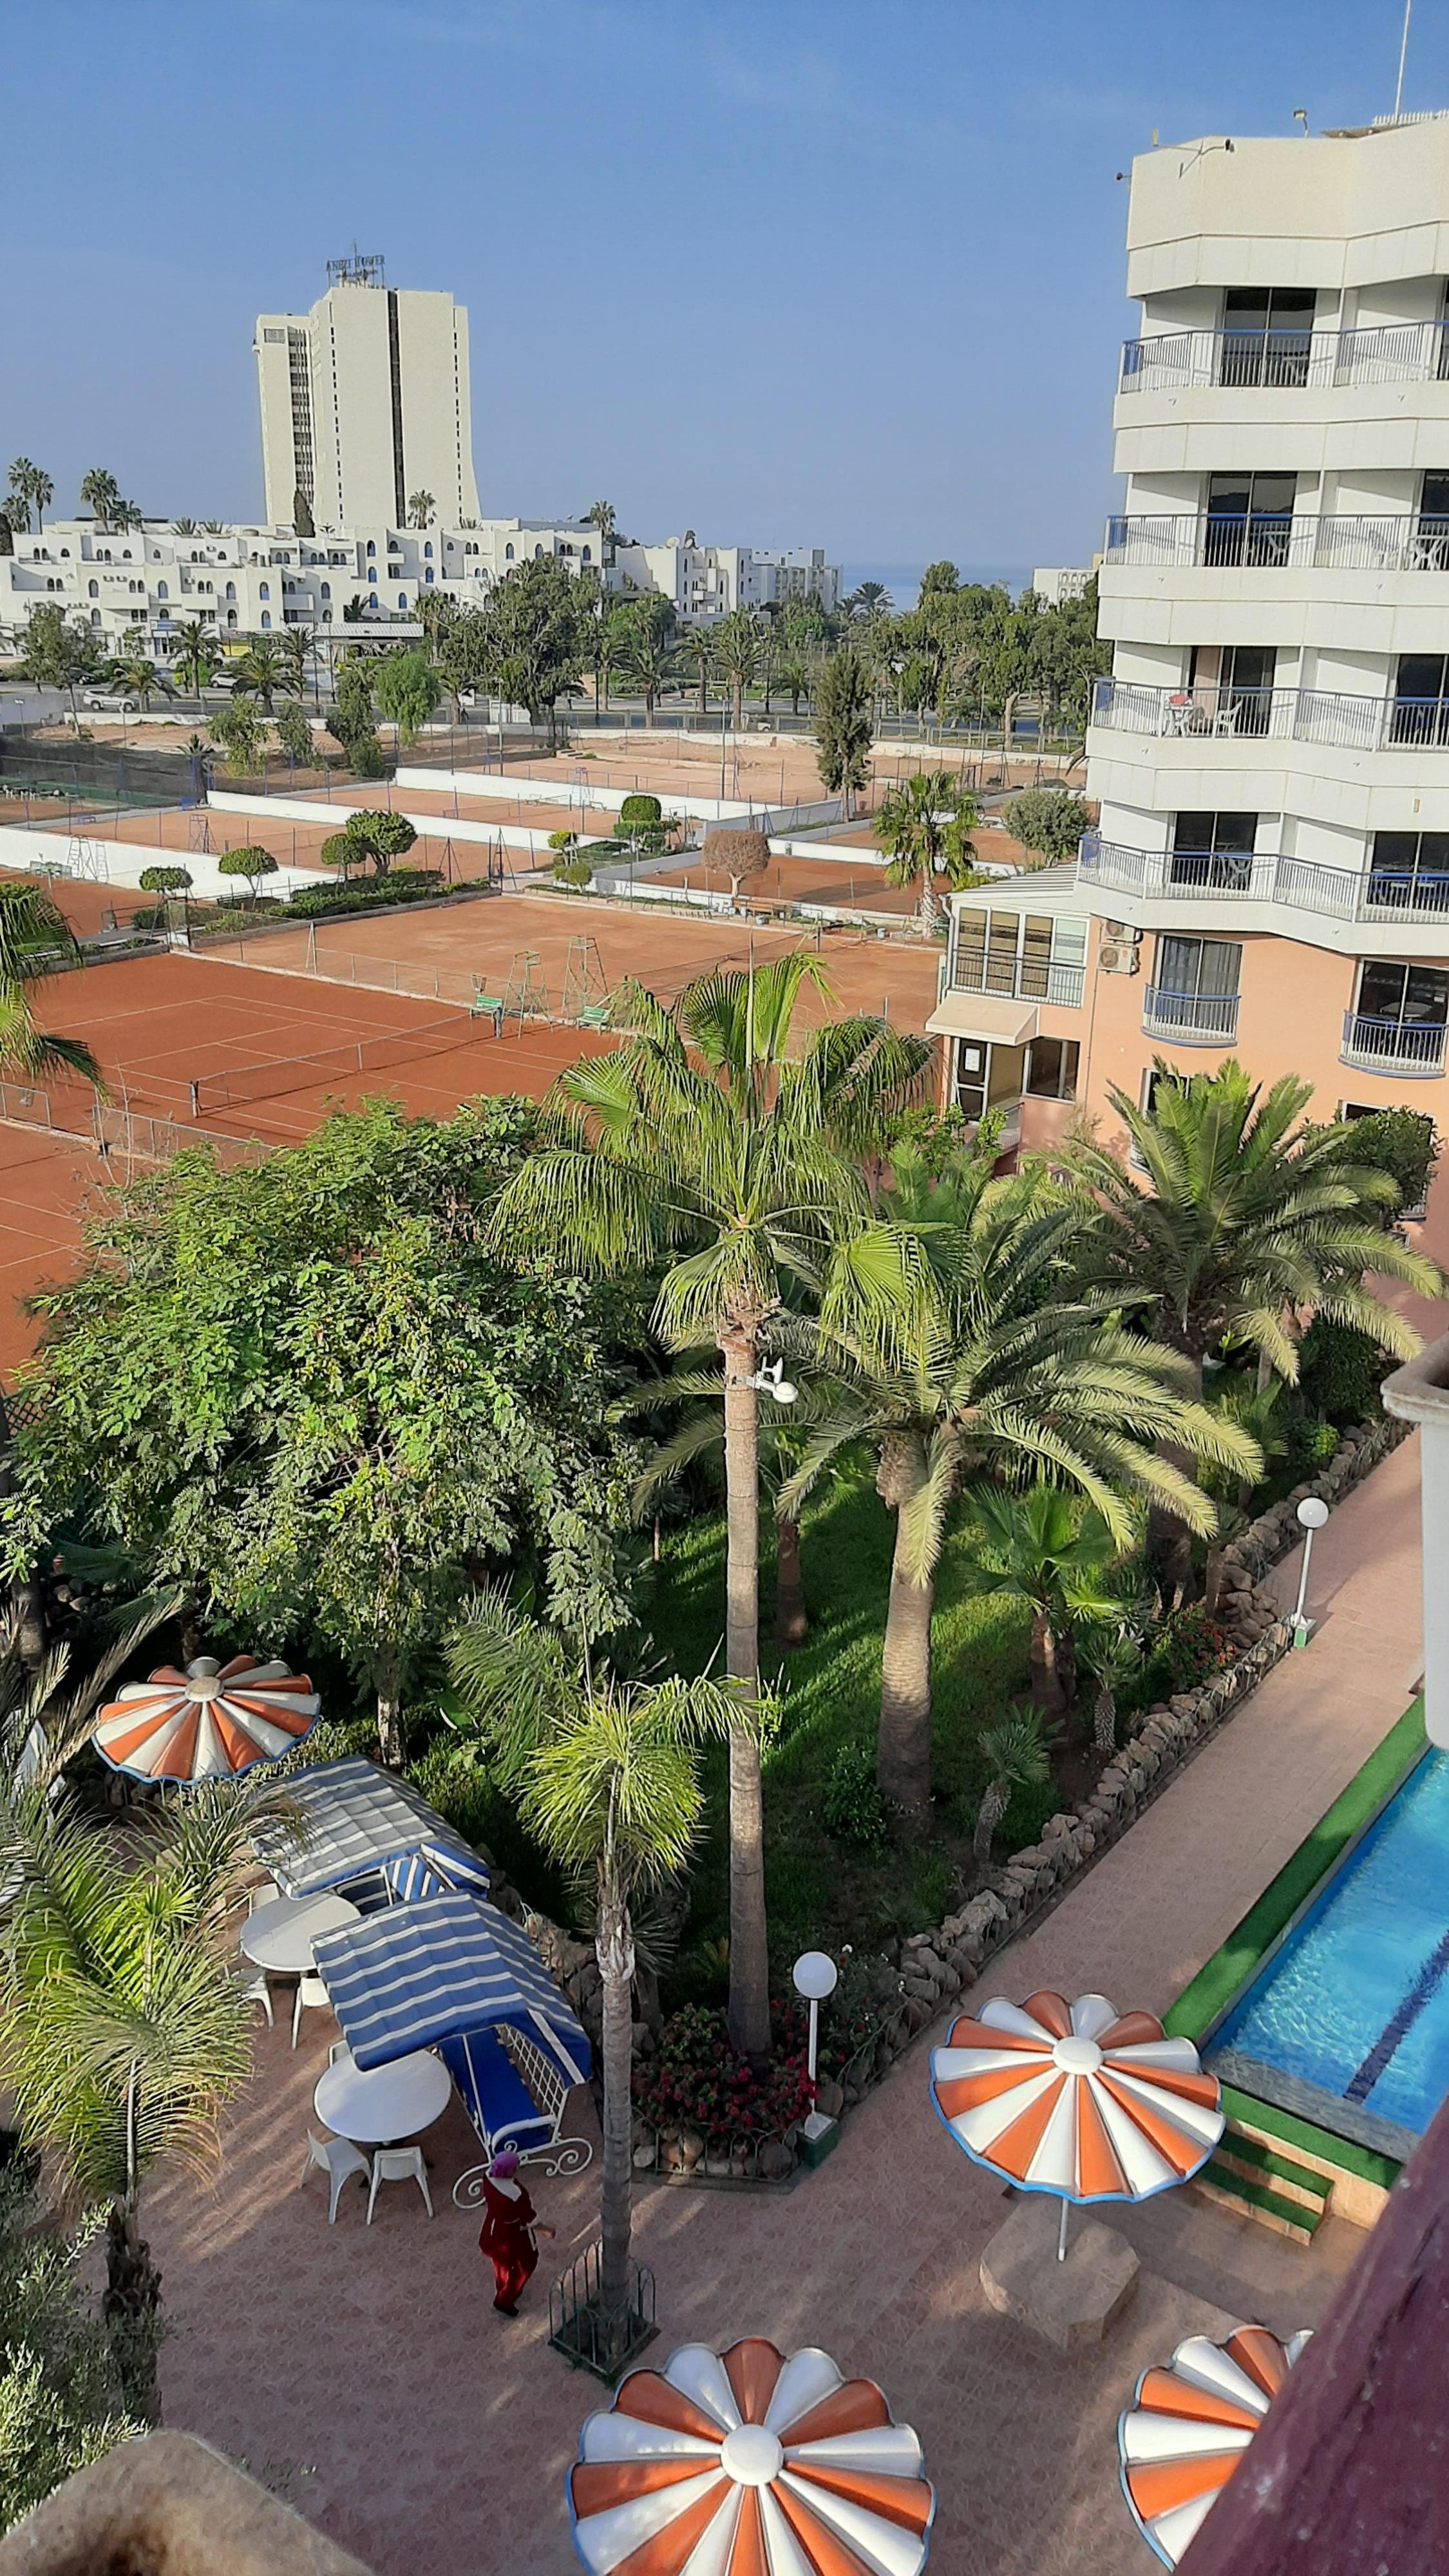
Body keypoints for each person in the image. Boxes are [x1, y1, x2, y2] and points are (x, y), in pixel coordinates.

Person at [476, 2150, 553, 2316]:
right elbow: (528, 2217)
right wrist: (546, 2230)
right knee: (526, 2264)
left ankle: (502, 2286)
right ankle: (505, 2299)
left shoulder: (488, 2177)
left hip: (492, 2229)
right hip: (512, 2234)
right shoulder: (515, 2194)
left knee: (501, 2263)